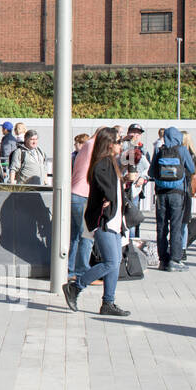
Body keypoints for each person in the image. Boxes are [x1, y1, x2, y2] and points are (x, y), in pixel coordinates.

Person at [62, 127, 131, 317]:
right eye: (118, 142)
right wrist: (109, 197)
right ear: (109, 144)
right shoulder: (102, 164)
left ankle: (108, 302)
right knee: (110, 261)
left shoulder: (111, 162)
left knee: (115, 262)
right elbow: (103, 187)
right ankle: (76, 286)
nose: (121, 145)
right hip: (104, 221)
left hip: (114, 221)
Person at [149, 126, 195, 271]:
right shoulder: (182, 150)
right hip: (177, 192)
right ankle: (175, 260)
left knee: (161, 226)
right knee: (176, 226)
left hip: (161, 193)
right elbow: (192, 169)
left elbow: (151, 172)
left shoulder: (159, 150)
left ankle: (163, 259)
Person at [69, 130, 97, 279]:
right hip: (83, 196)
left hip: (74, 195)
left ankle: (70, 268)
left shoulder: (78, 154)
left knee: (75, 236)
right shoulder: (91, 148)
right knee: (86, 234)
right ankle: (82, 271)